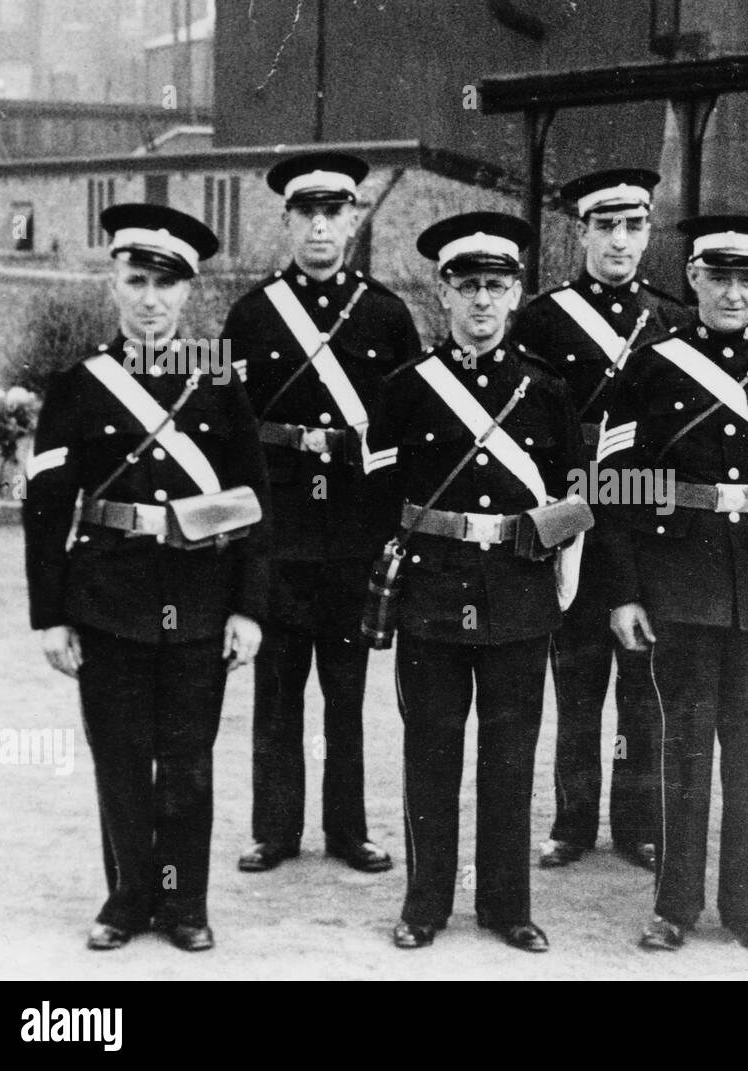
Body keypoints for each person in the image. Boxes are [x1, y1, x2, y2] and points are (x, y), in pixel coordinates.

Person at [23, 204, 270, 952]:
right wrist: (51, 615)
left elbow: (257, 504)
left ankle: (184, 903)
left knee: (189, 763)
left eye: (167, 284)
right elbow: (46, 510)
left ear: (189, 293)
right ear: (116, 285)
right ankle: (128, 899)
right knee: (122, 757)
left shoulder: (221, 385)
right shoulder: (77, 388)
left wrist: (249, 609)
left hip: (199, 601)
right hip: (108, 601)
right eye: (137, 280)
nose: (151, 299)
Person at [596, 214, 748, 957]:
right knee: (681, 748)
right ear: (694, 279)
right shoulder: (653, 363)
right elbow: (613, 487)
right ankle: (674, 904)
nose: (733, 292)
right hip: (678, 581)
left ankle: (746, 906)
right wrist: (625, 592)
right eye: (719, 276)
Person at [362, 212, 587, 953]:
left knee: (510, 753)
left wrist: (560, 574)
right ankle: (426, 902)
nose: (482, 302)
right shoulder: (404, 389)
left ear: (517, 294)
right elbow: (376, 499)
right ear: (444, 294)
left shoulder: (547, 392)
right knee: (431, 749)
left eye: (496, 286)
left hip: (518, 590)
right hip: (432, 589)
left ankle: (506, 905)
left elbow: (574, 495)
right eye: (468, 287)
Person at [224, 151, 420, 874]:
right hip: (277, 536)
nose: (318, 226)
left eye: (332, 212)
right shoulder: (248, 315)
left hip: (351, 536)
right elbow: (224, 432)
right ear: (287, 221)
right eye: (305, 213)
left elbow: (406, 436)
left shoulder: (387, 315)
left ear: (352, 218)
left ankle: (348, 830)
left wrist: (394, 534)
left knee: (345, 694)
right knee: (276, 691)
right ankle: (274, 829)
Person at [509, 168, 691, 872]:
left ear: (647, 232)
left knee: (643, 686)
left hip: (646, 523)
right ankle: (572, 821)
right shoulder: (544, 318)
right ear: (582, 231)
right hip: (575, 516)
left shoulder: (672, 317)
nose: (620, 241)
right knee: (576, 681)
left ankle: (638, 824)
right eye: (606, 226)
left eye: (634, 226)